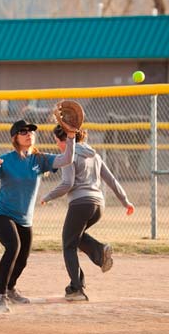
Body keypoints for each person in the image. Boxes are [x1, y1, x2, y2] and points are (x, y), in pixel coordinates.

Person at [0, 119, 76, 312]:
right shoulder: (6, 160)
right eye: (23, 132)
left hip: (24, 218)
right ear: (15, 138)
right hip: (1, 213)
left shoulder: (39, 159)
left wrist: (70, 137)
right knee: (13, 246)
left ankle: (11, 288)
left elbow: (66, 159)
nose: (29, 133)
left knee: (23, 258)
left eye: (31, 131)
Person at [40, 125, 134, 301]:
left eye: (56, 141)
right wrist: (125, 201)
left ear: (65, 139)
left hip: (80, 204)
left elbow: (67, 184)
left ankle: (77, 288)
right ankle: (98, 254)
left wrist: (48, 196)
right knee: (75, 238)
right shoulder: (95, 155)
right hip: (98, 205)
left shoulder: (69, 154)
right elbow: (111, 180)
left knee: (68, 244)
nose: (57, 145)